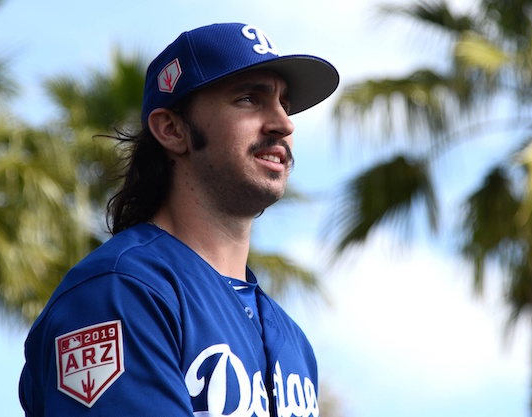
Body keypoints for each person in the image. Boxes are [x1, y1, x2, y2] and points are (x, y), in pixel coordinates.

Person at [19, 22, 339, 417]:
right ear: (172, 130)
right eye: (248, 99)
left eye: (284, 104)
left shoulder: (293, 341)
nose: (284, 123)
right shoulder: (120, 291)